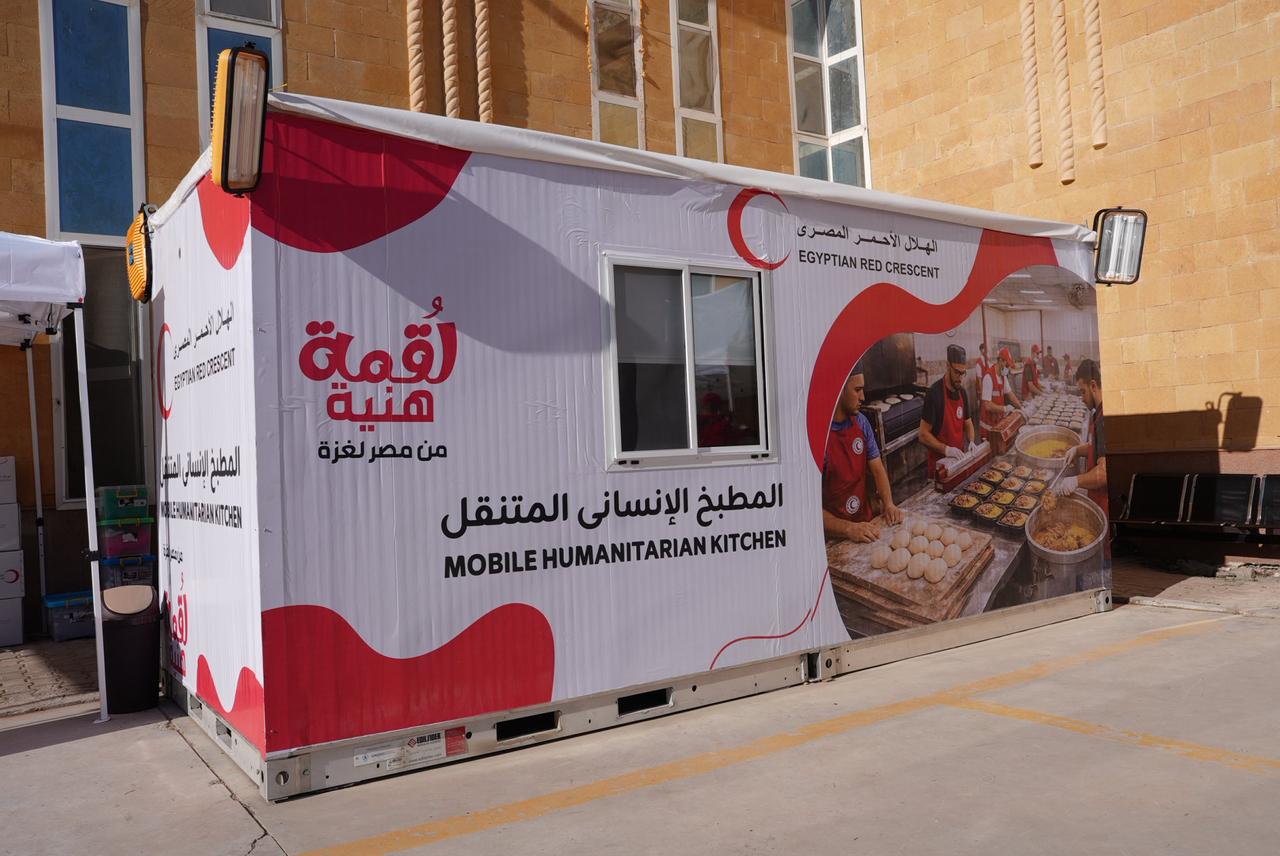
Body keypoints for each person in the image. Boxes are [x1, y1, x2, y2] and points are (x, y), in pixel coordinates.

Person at [823, 364, 904, 543]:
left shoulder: (861, 423)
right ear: (839, 389)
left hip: (865, 522)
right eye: (857, 390)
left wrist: (889, 504)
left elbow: (877, 468)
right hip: (835, 535)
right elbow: (809, 507)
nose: (863, 397)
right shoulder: (819, 437)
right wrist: (848, 528)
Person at [1054, 359, 1107, 516]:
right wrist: (1077, 450)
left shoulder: (1104, 420)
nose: (1082, 398)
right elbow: (1095, 446)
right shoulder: (1098, 413)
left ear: (1093, 386)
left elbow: (1104, 473)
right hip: (1095, 497)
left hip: (1103, 504)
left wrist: (1076, 481)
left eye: (1083, 392)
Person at [919, 344, 976, 478]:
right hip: (940, 467)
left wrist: (972, 441)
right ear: (947, 366)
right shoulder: (934, 393)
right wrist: (946, 450)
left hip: (959, 462)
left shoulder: (962, 393)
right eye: (957, 372)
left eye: (963, 373)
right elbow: (923, 435)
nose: (960, 378)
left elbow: (968, 423)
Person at [979, 346, 1023, 429]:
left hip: (998, 421)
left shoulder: (1003, 376)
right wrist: (1004, 408)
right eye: (1007, 365)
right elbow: (987, 405)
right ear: (1000, 360)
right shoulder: (988, 377)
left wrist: (1021, 408)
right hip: (988, 425)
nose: (1008, 368)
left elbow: (1011, 395)